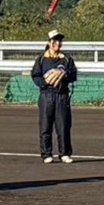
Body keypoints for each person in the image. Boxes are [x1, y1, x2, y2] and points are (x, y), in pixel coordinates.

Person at [31, 29, 77, 164]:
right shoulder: (41, 59)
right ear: (49, 43)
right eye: (55, 41)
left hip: (62, 96)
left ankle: (64, 153)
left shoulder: (67, 58)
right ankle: (46, 154)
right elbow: (35, 75)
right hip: (46, 95)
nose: (58, 43)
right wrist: (45, 83)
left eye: (59, 41)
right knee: (45, 126)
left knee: (63, 126)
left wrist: (64, 74)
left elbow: (73, 75)